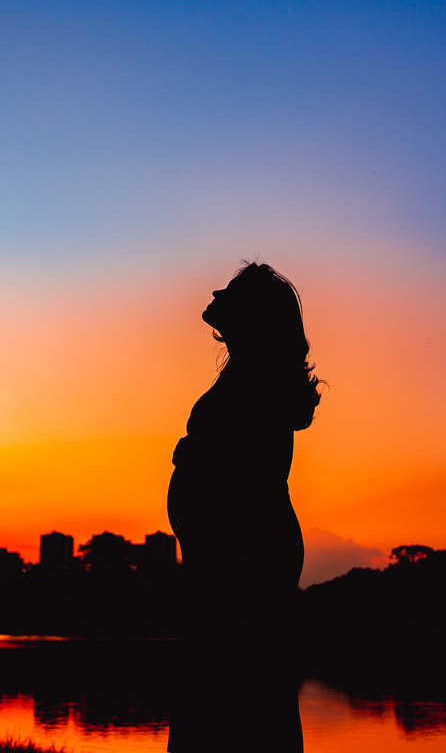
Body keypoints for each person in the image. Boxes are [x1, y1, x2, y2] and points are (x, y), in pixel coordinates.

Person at [167, 262, 322, 752]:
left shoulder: (258, 381)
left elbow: (230, 471)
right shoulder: (254, 374)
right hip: (239, 552)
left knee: (234, 693)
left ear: (254, 318)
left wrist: (190, 457)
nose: (220, 303)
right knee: (242, 692)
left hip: (242, 557)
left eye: (235, 298)